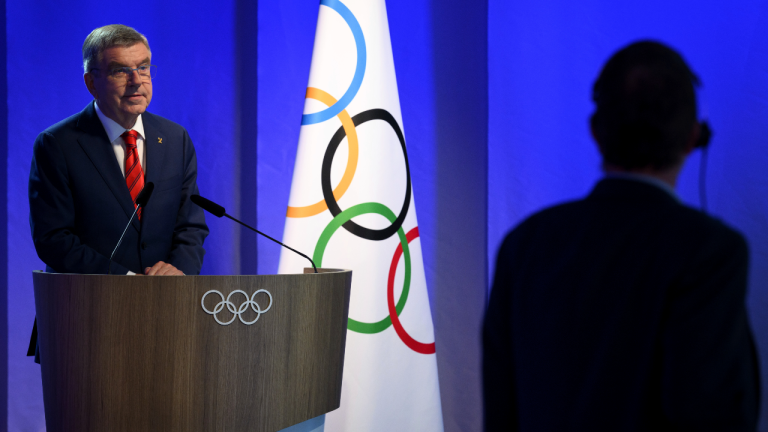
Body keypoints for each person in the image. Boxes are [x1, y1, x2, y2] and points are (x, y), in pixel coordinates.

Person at [483, 41, 759, 431]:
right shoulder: (710, 253)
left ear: (597, 132)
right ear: (694, 137)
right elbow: (711, 412)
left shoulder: (525, 245)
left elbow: (501, 409)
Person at [27, 24, 209, 360]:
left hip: (166, 317)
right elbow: (53, 238)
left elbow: (190, 225)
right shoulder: (58, 144)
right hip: (85, 322)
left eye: (143, 67)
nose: (137, 80)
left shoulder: (174, 138)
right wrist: (127, 283)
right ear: (91, 82)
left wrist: (176, 272)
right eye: (120, 71)